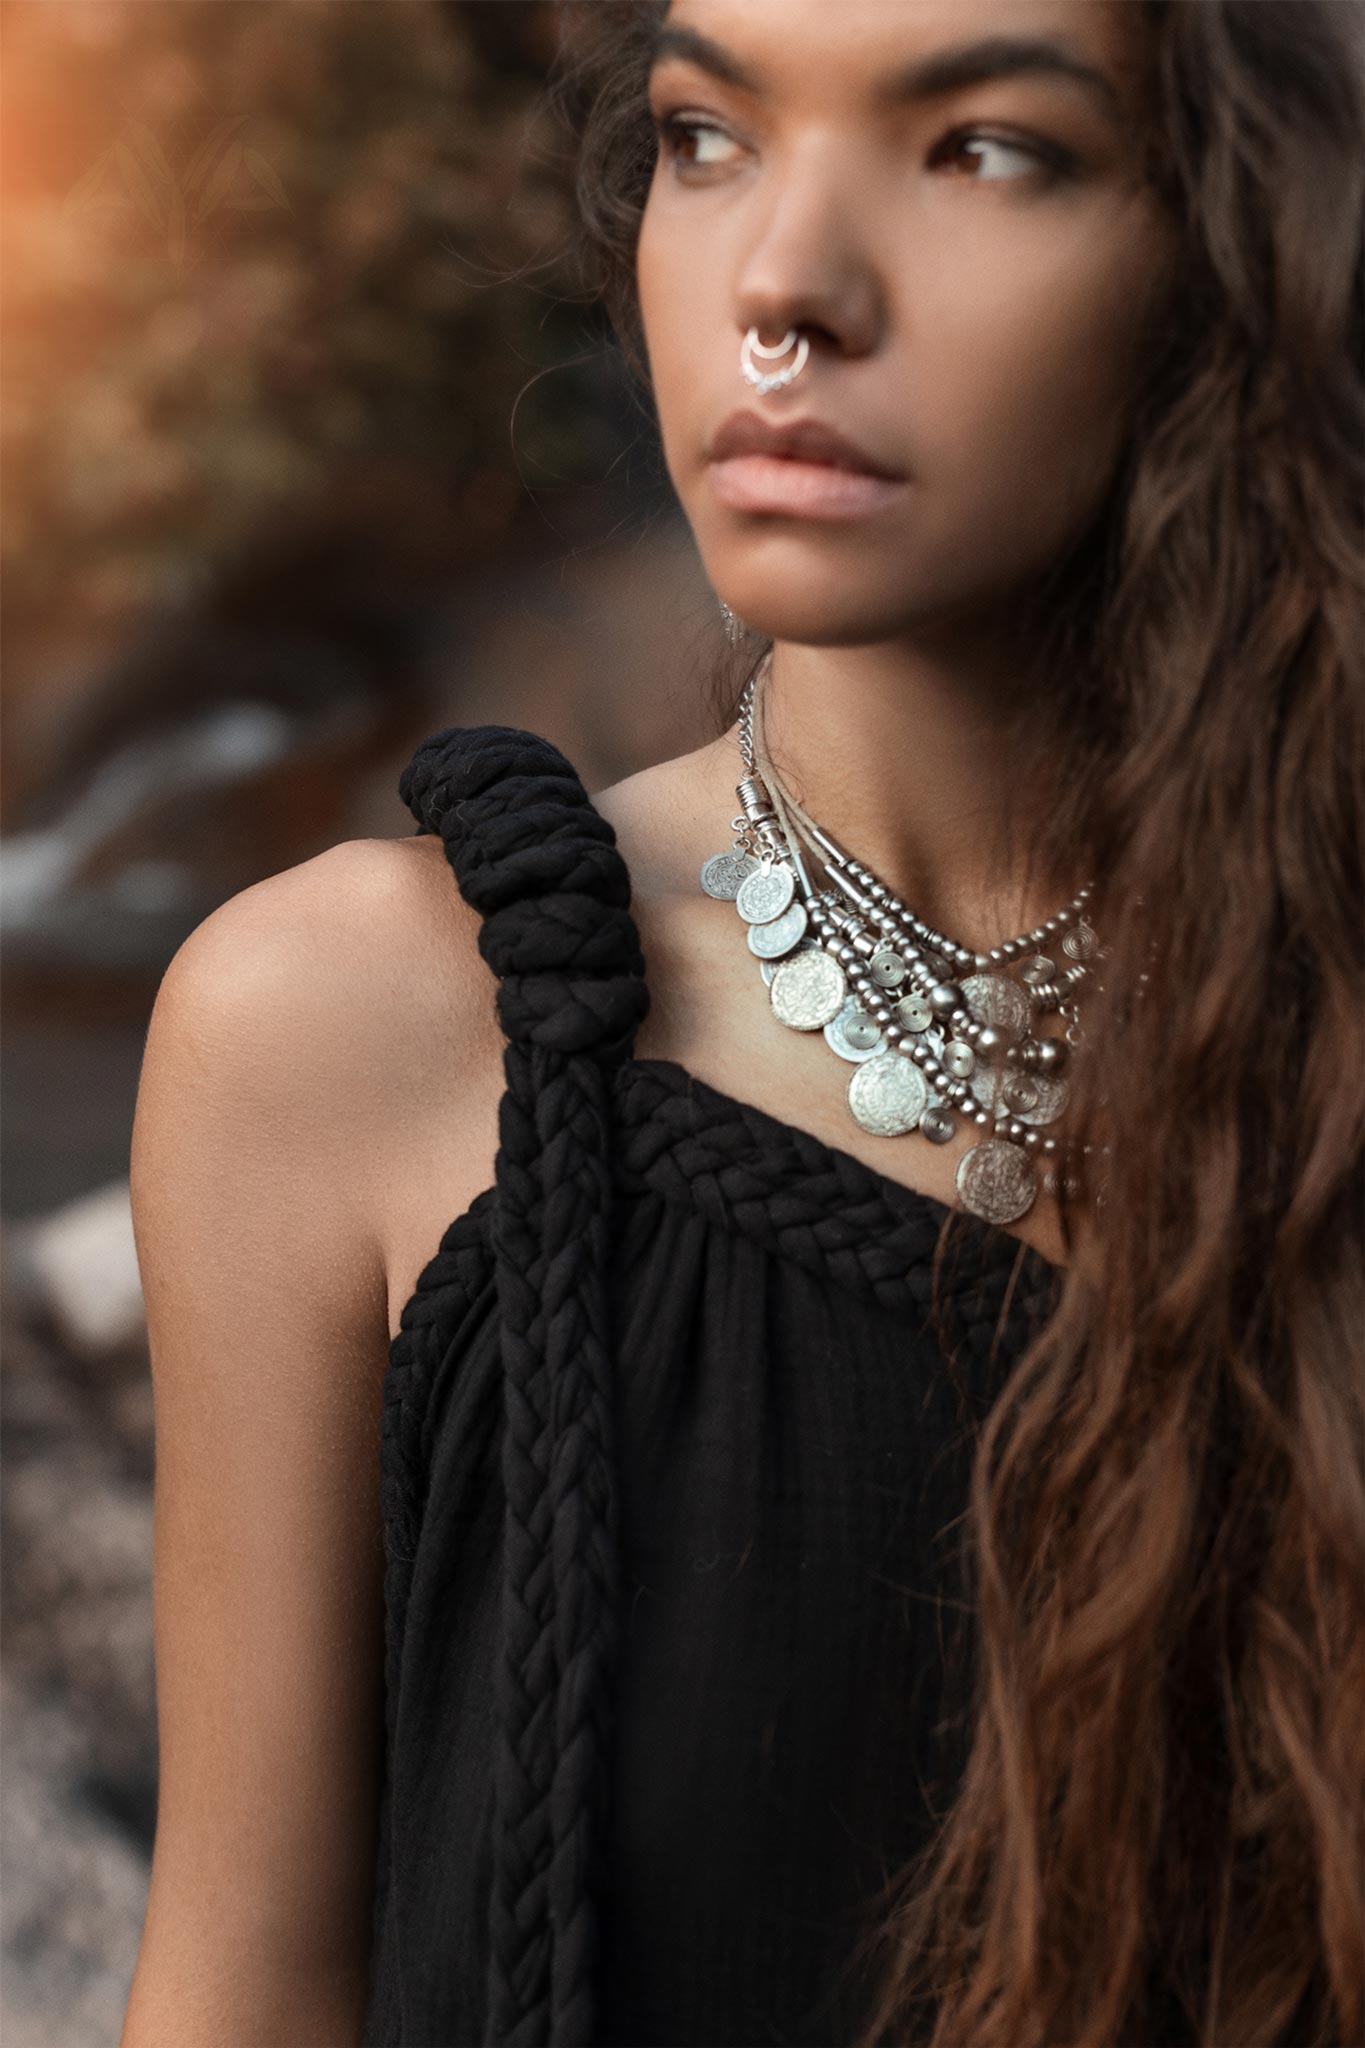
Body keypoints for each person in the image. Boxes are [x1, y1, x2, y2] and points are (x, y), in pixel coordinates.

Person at [120, 2, 1364, 2045]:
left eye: (979, 148)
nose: (781, 280)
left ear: (1241, 240)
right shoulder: (353, 1034)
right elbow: (243, 1991)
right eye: (706, 136)